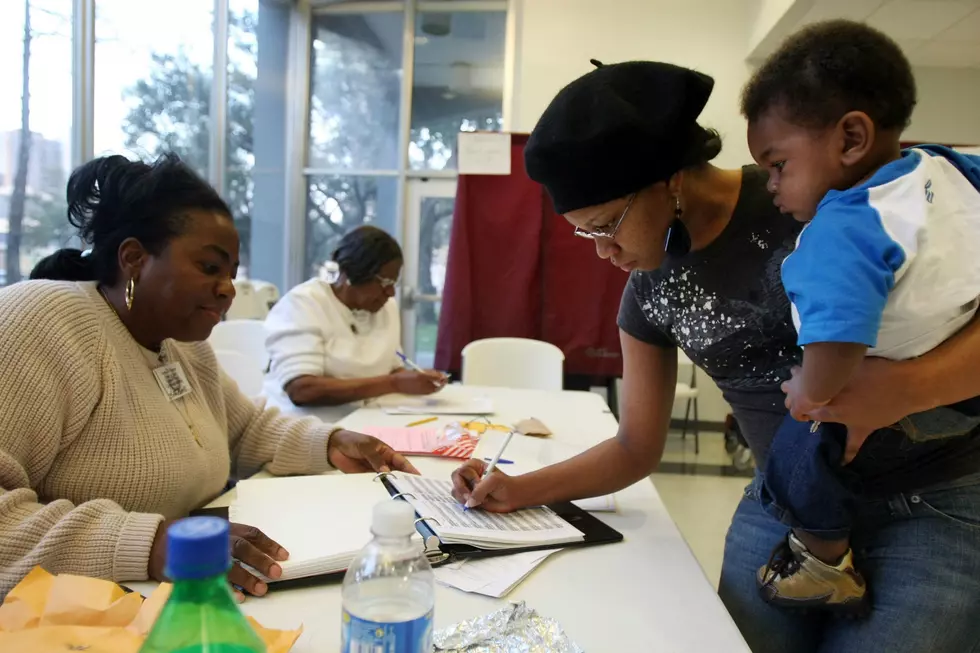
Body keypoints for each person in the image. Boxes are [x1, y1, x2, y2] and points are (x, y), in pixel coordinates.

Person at [449, 59, 980, 652]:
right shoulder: (650, 290)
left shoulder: (803, 194)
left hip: (931, 496)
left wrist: (904, 390)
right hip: (788, 503)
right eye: (586, 234)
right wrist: (519, 489)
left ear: (669, 178)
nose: (604, 252)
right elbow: (634, 446)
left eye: (607, 226)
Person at [0, 153, 418, 602]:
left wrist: (331, 443)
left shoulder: (180, 344)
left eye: (232, 274)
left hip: (177, 595)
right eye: (210, 267)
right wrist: (153, 544)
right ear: (134, 258)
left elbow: (244, 429)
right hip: (67, 619)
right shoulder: (44, 320)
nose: (228, 289)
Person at [741, 20, 980, 615]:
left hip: (888, 411)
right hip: (965, 398)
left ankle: (824, 561)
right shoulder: (945, 166)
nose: (770, 185)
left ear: (851, 138)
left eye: (777, 165)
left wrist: (807, 393)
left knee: (794, 455)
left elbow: (837, 339)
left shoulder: (843, 227)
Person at [264, 225, 447, 407]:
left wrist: (415, 379)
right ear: (350, 273)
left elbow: (393, 369)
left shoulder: (386, 307)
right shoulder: (304, 304)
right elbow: (302, 390)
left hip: (363, 419)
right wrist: (394, 383)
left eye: (394, 283)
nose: (391, 292)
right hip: (304, 426)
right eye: (384, 282)